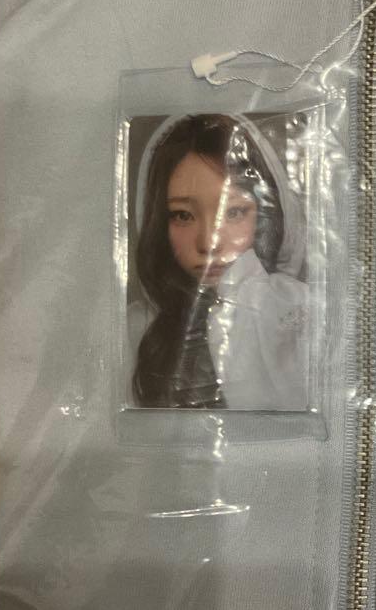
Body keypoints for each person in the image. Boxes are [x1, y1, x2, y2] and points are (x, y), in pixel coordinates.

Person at [129, 113, 312, 411]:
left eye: (234, 212)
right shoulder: (134, 333)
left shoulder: (298, 311)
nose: (209, 243)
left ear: (268, 215)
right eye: (183, 215)